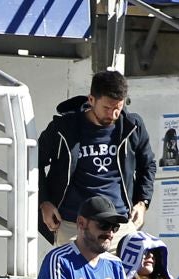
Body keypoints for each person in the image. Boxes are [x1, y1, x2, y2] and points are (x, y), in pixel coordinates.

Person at [35, 70, 155, 239]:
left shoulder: (132, 126)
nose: (112, 114)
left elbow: (148, 165)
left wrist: (143, 203)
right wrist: (44, 203)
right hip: (72, 224)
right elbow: (33, 162)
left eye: (118, 108)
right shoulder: (63, 128)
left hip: (120, 224)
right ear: (91, 100)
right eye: (106, 108)